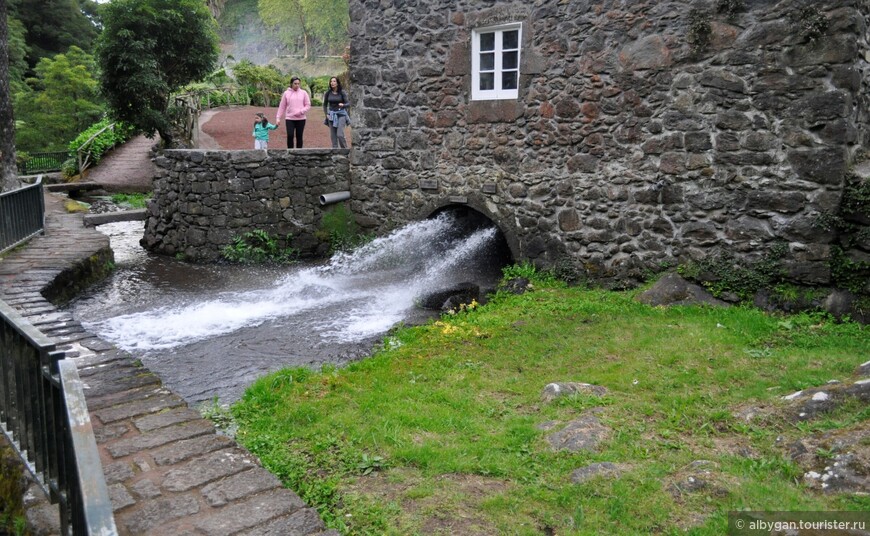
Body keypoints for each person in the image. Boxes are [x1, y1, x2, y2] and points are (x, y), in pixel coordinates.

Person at [276, 76, 311, 149]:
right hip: (290, 118)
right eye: (295, 83)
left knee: (299, 136)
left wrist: (301, 111)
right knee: (290, 135)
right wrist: (278, 117)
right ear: (291, 84)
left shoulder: (304, 93)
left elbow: (308, 105)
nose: (297, 85)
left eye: (298, 84)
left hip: (301, 119)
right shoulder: (286, 93)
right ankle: (290, 152)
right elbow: (282, 106)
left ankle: (299, 153)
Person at [322, 76, 350, 149]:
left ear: (337, 83)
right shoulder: (328, 93)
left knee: (340, 134)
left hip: (341, 114)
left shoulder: (342, 92)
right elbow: (324, 105)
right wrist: (326, 115)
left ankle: (345, 150)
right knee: (333, 136)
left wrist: (343, 105)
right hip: (331, 115)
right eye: (331, 81)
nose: (332, 83)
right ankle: (335, 153)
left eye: (334, 81)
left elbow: (348, 104)